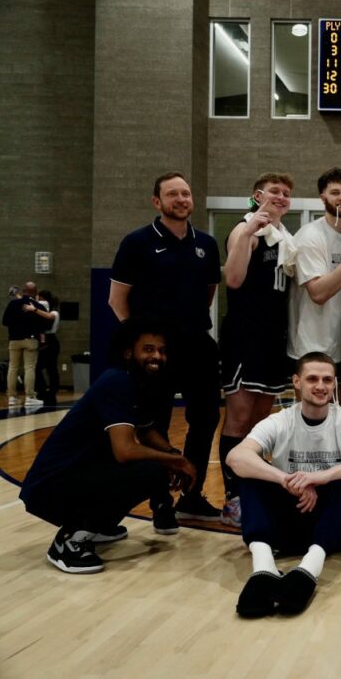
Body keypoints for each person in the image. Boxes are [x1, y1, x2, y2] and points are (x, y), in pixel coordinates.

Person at [19, 318, 197, 574]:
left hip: (75, 474)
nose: (157, 355)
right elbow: (125, 451)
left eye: (162, 350)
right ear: (128, 353)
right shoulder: (117, 381)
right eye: (148, 349)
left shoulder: (137, 383)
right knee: (150, 471)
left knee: (156, 466)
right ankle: (69, 541)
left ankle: (98, 526)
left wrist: (172, 454)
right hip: (51, 486)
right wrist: (176, 462)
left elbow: (146, 431)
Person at [225, 352, 341, 618]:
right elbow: (236, 456)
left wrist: (321, 477)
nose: (321, 386)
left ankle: (309, 569)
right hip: (289, 519)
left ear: (335, 384)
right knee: (250, 474)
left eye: (327, 380)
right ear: (297, 382)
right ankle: (263, 568)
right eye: (312, 379)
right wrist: (285, 480)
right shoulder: (280, 420)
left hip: (333, 526)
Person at [108, 172, 222, 523]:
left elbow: (208, 294)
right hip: (157, 350)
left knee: (205, 419)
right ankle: (159, 501)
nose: (181, 199)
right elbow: (117, 300)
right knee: (152, 424)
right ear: (157, 202)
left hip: (197, 345)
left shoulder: (206, 243)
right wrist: (139, 342)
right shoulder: (137, 242)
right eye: (173, 194)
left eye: (186, 193)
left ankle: (192, 494)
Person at [218, 173, 297, 527]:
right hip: (245, 339)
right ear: (257, 196)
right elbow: (233, 280)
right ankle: (232, 497)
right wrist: (250, 230)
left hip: (273, 341)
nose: (281, 197)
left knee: (261, 425)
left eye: (286, 194)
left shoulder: (284, 239)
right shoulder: (244, 230)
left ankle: (254, 491)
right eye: (275, 192)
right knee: (239, 419)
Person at [288, 168, 341, 405]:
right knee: (313, 414)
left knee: (338, 415)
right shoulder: (310, 236)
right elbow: (318, 293)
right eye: (335, 192)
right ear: (322, 197)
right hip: (312, 343)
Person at [4, 281, 48, 408]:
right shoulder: (36, 305)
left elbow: (5, 321)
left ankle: (12, 397)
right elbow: (45, 323)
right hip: (30, 340)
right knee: (29, 368)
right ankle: (30, 396)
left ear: (23, 291)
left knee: (13, 368)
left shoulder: (12, 304)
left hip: (14, 340)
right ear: (35, 292)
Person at [34, 290, 61, 406]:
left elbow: (49, 316)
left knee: (51, 368)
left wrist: (34, 309)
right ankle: (43, 390)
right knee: (38, 368)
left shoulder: (54, 312)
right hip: (44, 340)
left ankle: (52, 391)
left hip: (51, 340)